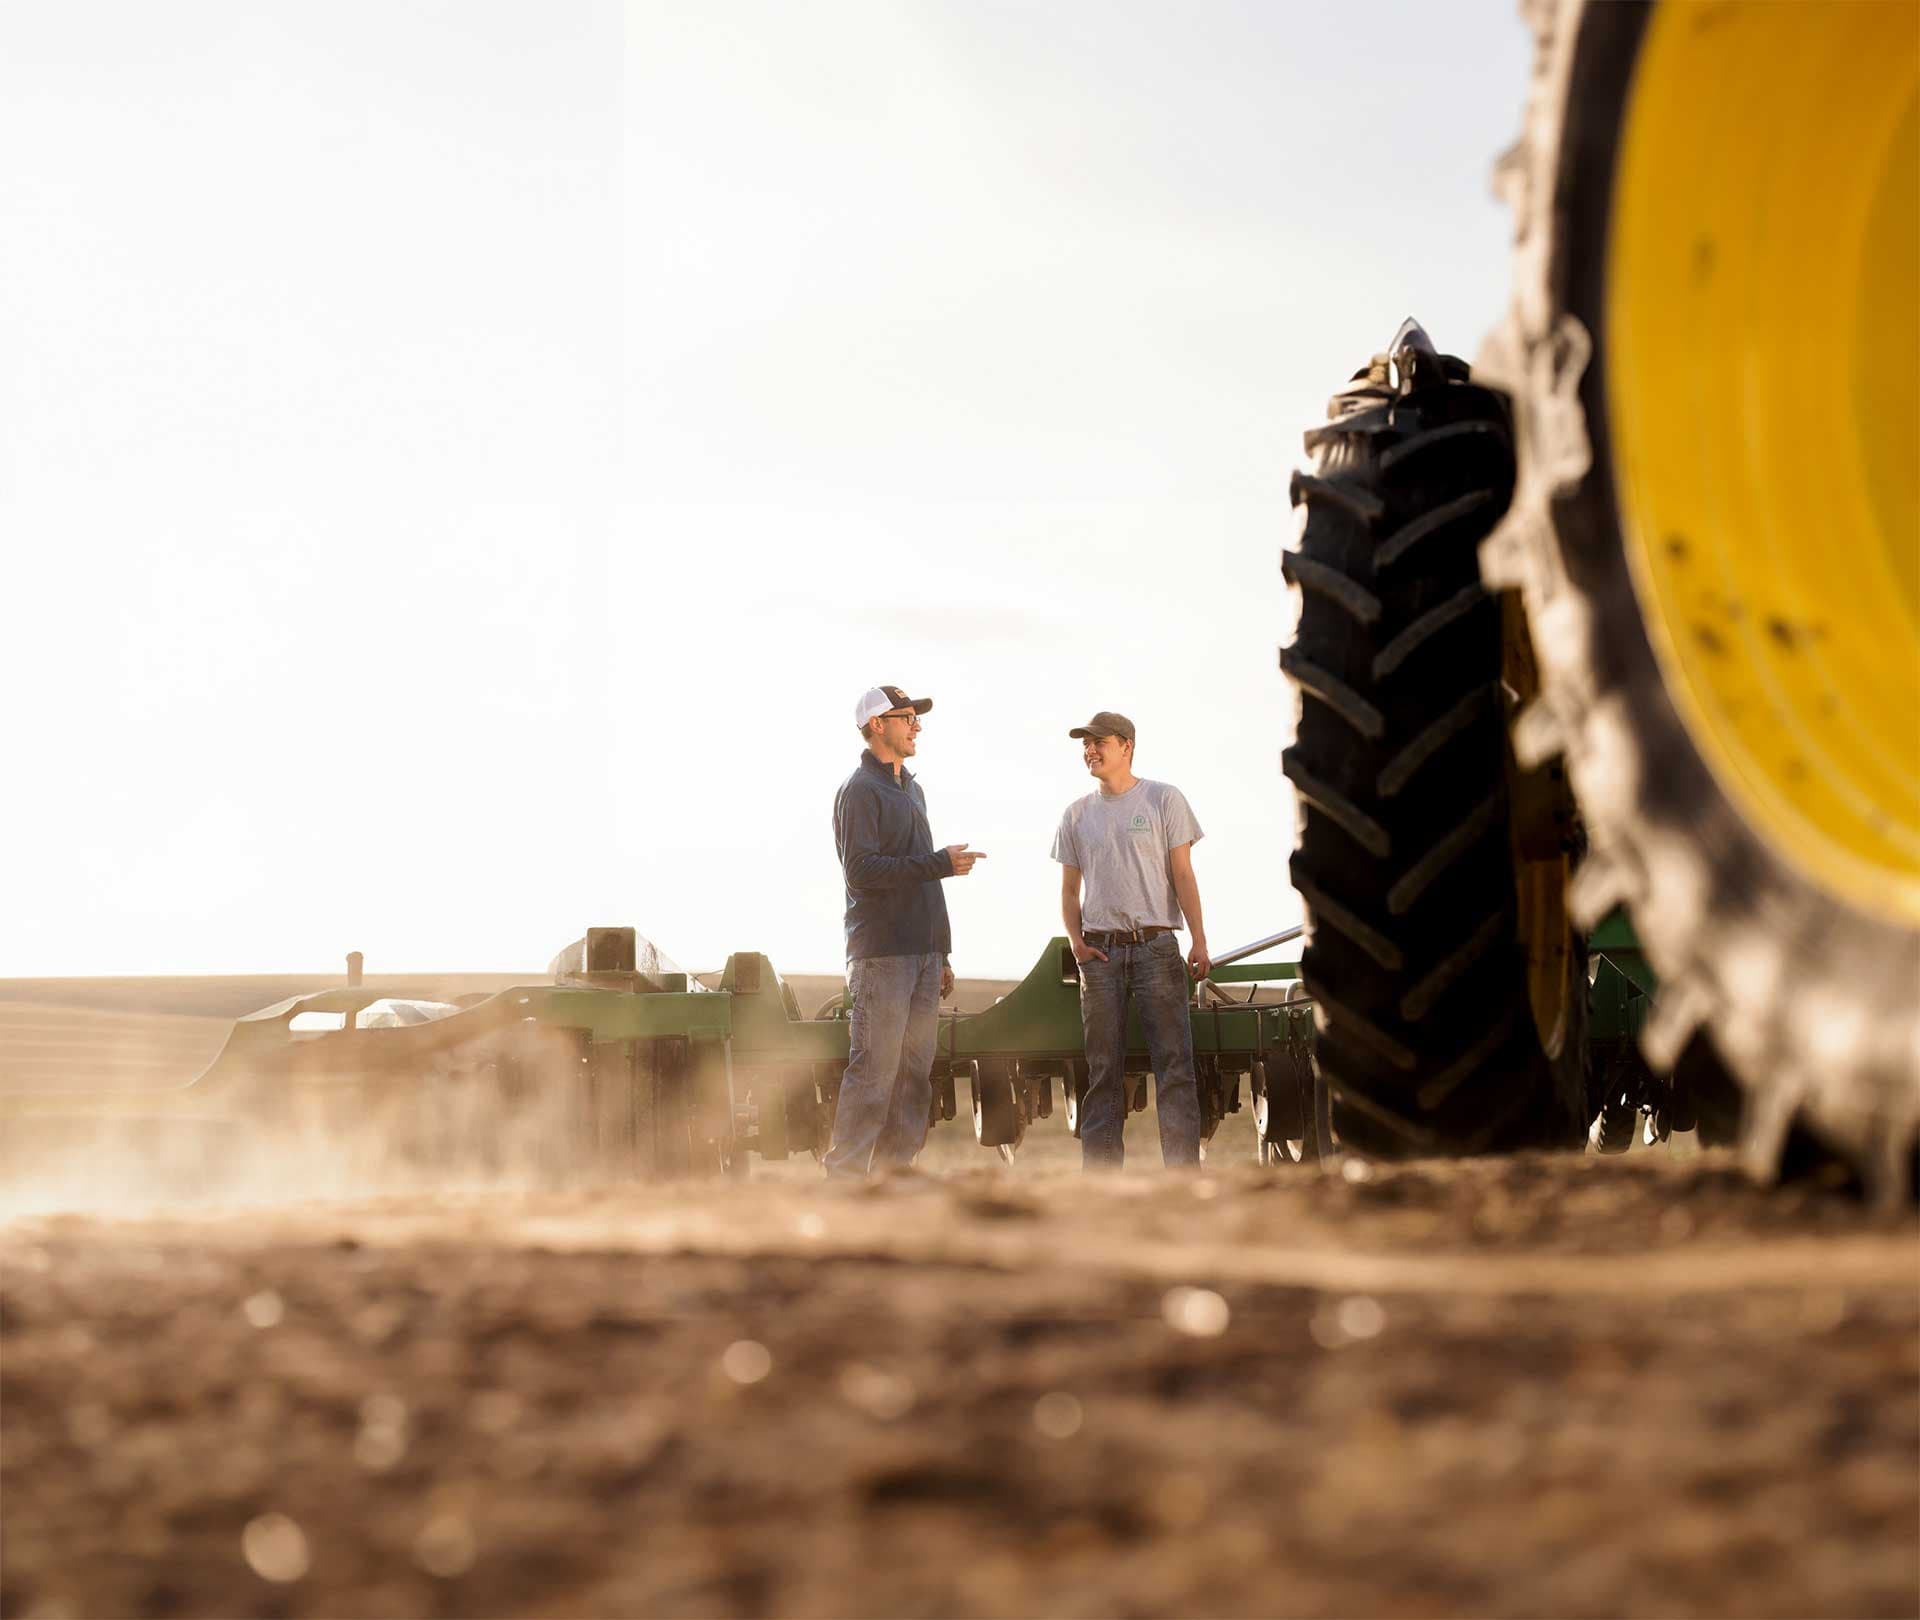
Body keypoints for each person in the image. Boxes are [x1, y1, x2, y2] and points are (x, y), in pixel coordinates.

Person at [826, 684, 986, 1178]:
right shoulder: (859, 791)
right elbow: (863, 872)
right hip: (882, 955)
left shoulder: (911, 788)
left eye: (917, 719)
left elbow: (923, 883)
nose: (917, 726)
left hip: (922, 953)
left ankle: (893, 1181)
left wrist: (942, 952)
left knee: (914, 1076)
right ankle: (846, 1182)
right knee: (875, 1074)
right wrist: (939, 863)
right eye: (907, 718)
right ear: (878, 725)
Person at [1051, 710, 1209, 1169]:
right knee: (1103, 1071)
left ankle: (1183, 1178)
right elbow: (1068, 889)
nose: (1091, 750)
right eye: (1086, 743)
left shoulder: (1163, 800)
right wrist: (1077, 944)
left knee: (1174, 1068)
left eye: (1100, 741)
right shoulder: (1076, 814)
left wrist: (1198, 941)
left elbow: (1183, 874)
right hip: (1099, 954)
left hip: (1156, 948)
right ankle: (1100, 1180)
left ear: (1127, 747)